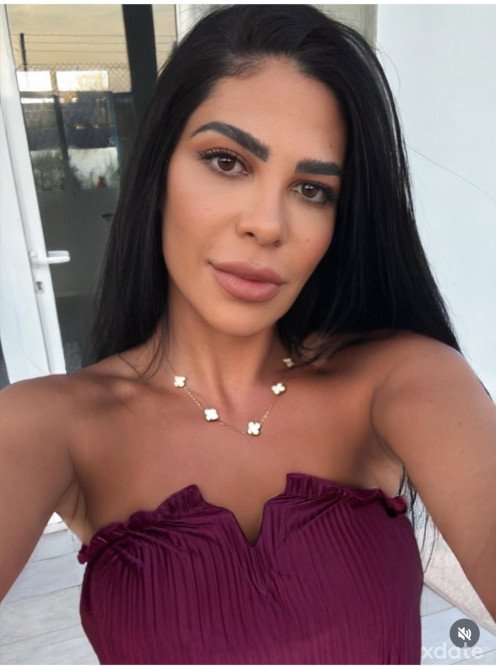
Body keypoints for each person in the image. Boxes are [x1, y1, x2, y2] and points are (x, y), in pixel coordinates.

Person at [1, 5, 495, 664]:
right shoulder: (51, 426)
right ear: (158, 173)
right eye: (226, 161)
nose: (267, 224)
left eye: (312, 190)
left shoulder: (403, 382)